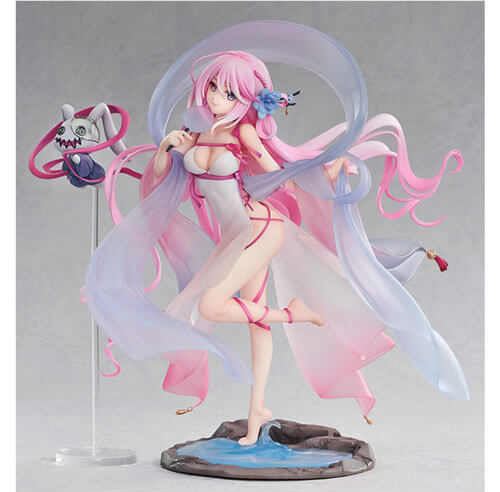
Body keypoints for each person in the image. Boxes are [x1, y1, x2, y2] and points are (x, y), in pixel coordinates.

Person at [85, 22, 469, 447]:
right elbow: (160, 179)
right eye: (213, 86)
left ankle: (296, 313)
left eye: (229, 93)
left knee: (210, 305)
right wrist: (164, 150)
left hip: (259, 227)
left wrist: (326, 172)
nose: (216, 97)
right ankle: (257, 414)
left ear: (247, 99)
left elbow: (280, 173)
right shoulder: (194, 135)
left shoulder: (244, 133)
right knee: (252, 321)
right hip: (234, 236)